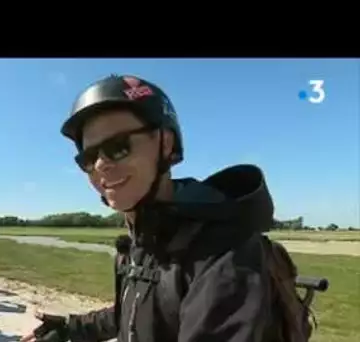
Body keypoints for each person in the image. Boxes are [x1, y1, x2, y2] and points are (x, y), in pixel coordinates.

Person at [22, 74, 307, 342]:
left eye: (118, 147)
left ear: (165, 143)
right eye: (88, 157)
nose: (100, 165)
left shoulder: (223, 254)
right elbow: (134, 313)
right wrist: (71, 329)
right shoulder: (139, 245)